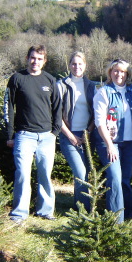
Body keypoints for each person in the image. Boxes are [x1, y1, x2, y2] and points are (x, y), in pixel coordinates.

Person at [4, 45, 62, 223]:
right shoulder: (17, 79)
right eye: (32, 58)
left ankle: (45, 211)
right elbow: (9, 108)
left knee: (45, 174)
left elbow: (57, 108)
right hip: (24, 136)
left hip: (46, 137)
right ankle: (20, 213)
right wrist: (10, 135)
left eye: (39, 59)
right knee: (22, 173)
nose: (35, 62)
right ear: (27, 58)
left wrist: (54, 132)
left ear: (44, 61)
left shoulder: (50, 80)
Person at [93, 59, 132, 223]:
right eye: (115, 71)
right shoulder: (103, 92)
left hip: (129, 141)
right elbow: (99, 122)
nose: (119, 74)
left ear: (127, 74)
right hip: (109, 142)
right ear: (110, 73)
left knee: (125, 179)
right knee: (114, 177)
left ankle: (128, 214)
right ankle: (115, 219)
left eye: (123, 72)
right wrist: (109, 145)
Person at [57, 51, 97, 212]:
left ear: (85, 65)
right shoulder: (61, 85)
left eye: (80, 64)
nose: (77, 67)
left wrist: (88, 132)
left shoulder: (91, 86)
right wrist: (71, 136)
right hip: (68, 134)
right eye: (74, 63)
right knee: (80, 171)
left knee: (84, 172)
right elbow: (56, 116)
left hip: (87, 134)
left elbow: (96, 113)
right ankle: (84, 212)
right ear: (69, 65)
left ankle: (77, 207)